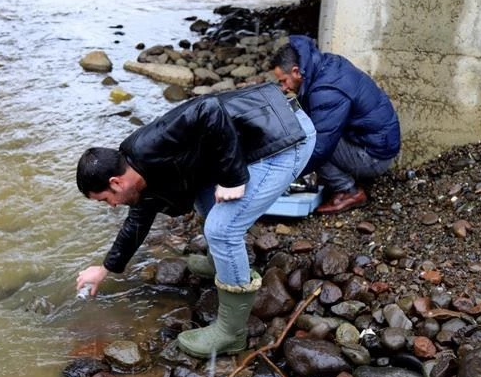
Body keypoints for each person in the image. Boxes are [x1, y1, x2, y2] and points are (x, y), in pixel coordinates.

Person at [75, 83, 316, 358]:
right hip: (254, 138)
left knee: (222, 230)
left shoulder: (150, 144)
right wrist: (105, 268)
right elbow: (138, 221)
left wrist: (233, 179)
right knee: (204, 199)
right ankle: (219, 264)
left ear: (116, 182)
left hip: (284, 136)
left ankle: (231, 333)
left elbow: (209, 108)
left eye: (106, 199)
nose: (112, 206)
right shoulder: (136, 174)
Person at [269, 35, 401, 214]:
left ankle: (348, 191)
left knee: (309, 144)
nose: (284, 88)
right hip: (373, 141)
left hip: (374, 157)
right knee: (308, 135)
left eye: (283, 81)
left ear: (296, 71)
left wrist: (285, 176)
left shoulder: (327, 90)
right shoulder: (324, 65)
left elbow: (320, 148)